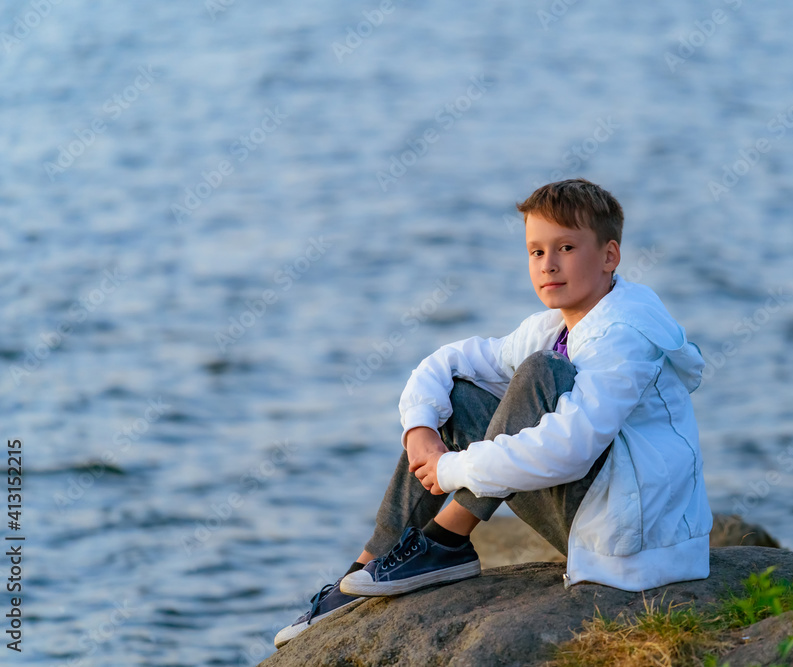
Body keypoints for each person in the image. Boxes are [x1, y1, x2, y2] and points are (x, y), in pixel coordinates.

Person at [274, 178, 713, 649]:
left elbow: (573, 449)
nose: (549, 265)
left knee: (540, 374)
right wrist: (420, 429)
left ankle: (446, 541)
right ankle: (364, 571)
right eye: (536, 251)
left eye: (565, 247)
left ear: (609, 256)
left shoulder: (625, 334)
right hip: (594, 513)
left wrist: (451, 467)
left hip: (636, 542)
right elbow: (449, 361)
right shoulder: (551, 327)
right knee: (459, 395)